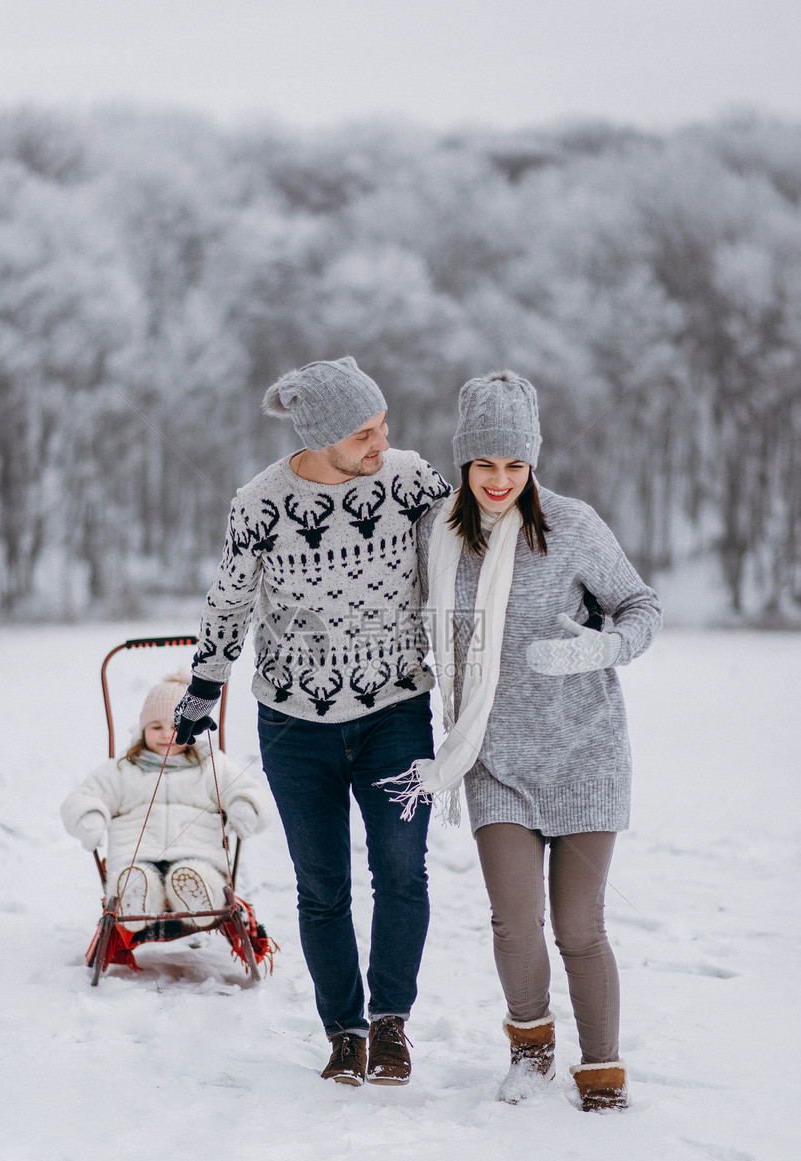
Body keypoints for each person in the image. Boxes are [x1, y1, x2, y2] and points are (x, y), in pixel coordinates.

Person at [173, 357, 450, 1086]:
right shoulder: (260, 505)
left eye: (383, 426)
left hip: (395, 707)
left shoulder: (411, 481)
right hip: (296, 724)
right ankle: (344, 1030)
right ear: (323, 435)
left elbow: (475, 551)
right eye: (365, 432)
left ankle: (391, 1021)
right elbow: (228, 601)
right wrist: (204, 688)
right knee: (321, 884)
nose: (381, 443)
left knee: (401, 869)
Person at [393, 370, 661, 1111]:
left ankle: (602, 1069)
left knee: (580, 926)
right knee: (515, 921)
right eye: (485, 464)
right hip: (492, 757)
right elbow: (408, 616)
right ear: (465, 463)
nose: (500, 480)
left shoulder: (573, 525)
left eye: (515, 465)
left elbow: (641, 605)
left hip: (585, 753)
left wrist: (598, 649)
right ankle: (530, 1050)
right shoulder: (435, 537)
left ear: (533, 464)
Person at [61, 673, 273, 931]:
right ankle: (135, 896)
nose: (166, 735)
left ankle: (199, 894)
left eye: (175, 726)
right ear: (142, 730)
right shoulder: (123, 769)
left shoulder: (209, 764)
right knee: (134, 878)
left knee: (195, 872)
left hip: (198, 855)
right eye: (156, 727)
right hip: (135, 858)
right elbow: (85, 796)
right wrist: (89, 816)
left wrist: (244, 806)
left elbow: (246, 789)